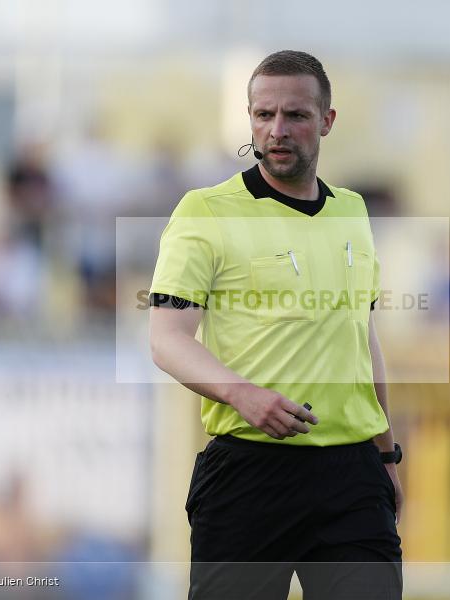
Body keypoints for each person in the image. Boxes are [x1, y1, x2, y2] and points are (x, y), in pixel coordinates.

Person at [148, 50, 403, 600]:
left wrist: (385, 451)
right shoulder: (205, 210)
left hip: (352, 476)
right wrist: (245, 396)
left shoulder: (353, 211)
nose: (277, 131)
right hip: (249, 475)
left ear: (327, 121)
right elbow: (167, 339)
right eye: (263, 116)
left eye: (295, 116)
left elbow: (363, 337)